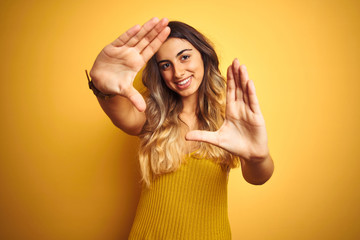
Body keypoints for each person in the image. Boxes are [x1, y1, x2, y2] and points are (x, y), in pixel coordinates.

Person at [88, 17, 274, 240]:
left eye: (184, 57)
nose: (177, 72)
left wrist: (258, 157)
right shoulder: (152, 115)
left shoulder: (231, 119)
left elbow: (257, 177)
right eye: (166, 65)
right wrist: (101, 85)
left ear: (204, 57)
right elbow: (122, 115)